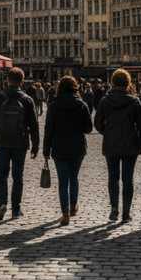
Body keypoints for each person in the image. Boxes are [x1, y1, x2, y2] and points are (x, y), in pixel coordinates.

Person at [0, 67, 39, 220]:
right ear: (22, 81)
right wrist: (36, 145)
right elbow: (34, 124)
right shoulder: (26, 99)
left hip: (1, 141)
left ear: (7, 80)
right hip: (20, 142)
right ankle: (16, 209)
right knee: (18, 176)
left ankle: (2, 204)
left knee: (2, 175)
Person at [94, 69, 141, 222]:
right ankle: (126, 212)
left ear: (112, 82)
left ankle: (114, 209)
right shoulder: (134, 101)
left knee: (113, 178)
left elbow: (97, 123)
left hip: (111, 144)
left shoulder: (105, 101)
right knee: (128, 178)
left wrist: (108, 131)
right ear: (128, 83)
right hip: (130, 144)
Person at [43, 76, 92, 225]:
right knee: (74, 177)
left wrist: (46, 150)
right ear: (75, 87)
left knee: (63, 182)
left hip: (59, 147)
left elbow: (48, 129)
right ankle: (73, 206)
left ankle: (65, 214)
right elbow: (88, 128)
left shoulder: (53, 105)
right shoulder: (81, 104)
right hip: (77, 147)